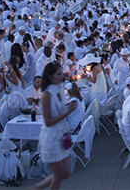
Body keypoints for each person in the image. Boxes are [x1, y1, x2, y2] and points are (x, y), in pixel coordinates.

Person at [30, 62, 77, 190]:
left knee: (65, 173)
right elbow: (48, 121)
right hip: (51, 138)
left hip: (61, 135)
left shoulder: (59, 89)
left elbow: (61, 108)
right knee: (58, 175)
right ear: (50, 77)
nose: (61, 76)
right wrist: (68, 112)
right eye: (58, 74)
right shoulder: (46, 95)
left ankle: (36, 187)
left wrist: (69, 106)